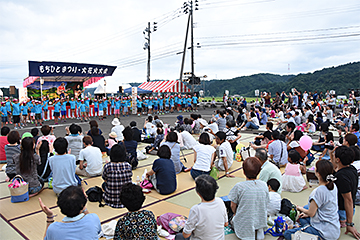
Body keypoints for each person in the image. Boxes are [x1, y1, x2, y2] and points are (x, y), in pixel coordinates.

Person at [284, 160, 340, 240]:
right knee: (304, 215)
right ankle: (307, 229)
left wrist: (299, 208)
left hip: (324, 232)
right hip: (334, 228)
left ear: (318, 173)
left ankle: (314, 235)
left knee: (288, 234)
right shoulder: (333, 185)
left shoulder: (318, 191)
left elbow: (311, 213)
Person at [176, 175, 228, 240]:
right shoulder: (220, 202)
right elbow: (226, 224)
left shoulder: (196, 209)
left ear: (198, 193)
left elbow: (186, 235)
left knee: (178, 236)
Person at [228, 157, 269, 240]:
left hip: (245, 220)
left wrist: (235, 212)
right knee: (258, 211)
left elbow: (233, 205)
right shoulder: (264, 184)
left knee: (232, 219)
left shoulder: (239, 186)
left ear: (243, 172)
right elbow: (266, 202)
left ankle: (248, 235)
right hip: (260, 217)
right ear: (259, 171)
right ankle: (259, 230)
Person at [331, 146, 360, 238]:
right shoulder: (352, 169)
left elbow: (348, 200)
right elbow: (335, 168)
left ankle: (343, 221)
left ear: (338, 159)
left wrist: (350, 223)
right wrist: (332, 155)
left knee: (309, 210)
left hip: (342, 211)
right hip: (351, 209)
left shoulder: (341, 177)